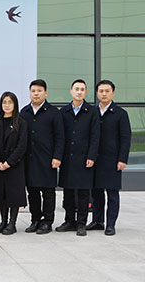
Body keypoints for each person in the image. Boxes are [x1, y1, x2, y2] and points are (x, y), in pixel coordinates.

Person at [20, 79, 64, 234]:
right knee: (32, 192)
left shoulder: (54, 112)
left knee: (48, 192)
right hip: (29, 159)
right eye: (33, 91)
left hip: (47, 159)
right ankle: (35, 220)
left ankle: (47, 221)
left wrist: (57, 157)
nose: (36, 94)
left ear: (45, 93)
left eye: (39, 91)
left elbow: (60, 137)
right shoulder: (24, 112)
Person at [87, 80, 131, 236]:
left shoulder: (120, 114)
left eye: (107, 91)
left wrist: (122, 159)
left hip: (112, 160)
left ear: (113, 93)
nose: (104, 94)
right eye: (101, 91)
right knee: (96, 193)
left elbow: (125, 138)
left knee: (112, 194)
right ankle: (97, 221)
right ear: (97, 93)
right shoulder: (92, 112)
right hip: (95, 159)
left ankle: (111, 224)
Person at [56, 79, 99, 236]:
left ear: (86, 92)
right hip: (67, 158)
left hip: (84, 158)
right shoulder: (64, 111)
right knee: (67, 192)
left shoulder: (92, 111)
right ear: (71, 91)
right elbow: (60, 136)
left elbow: (95, 136)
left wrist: (91, 156)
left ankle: (81, 223)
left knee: (83, 193)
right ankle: (69, 221)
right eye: (76, 89)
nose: (79, 92)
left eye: (82, 89)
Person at [0, 92, 28, 235]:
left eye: (10, 102)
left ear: (15, 104)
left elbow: (22, 145)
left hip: (14, 165)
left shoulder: (21, 122)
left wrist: (9, 162)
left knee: (13, 195)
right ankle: (3, 221)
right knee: (2, 194)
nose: (6, 105)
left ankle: (12, 223)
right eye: (4, 102)